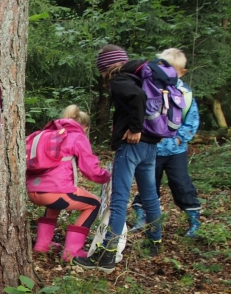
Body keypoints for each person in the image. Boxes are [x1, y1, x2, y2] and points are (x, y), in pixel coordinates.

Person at [74, 45, 163, 273]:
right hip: (150, 145)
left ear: (106, 67)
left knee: (118, 200)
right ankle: (155, 240)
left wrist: (135, 128)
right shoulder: (138, 76)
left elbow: (138, 98)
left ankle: (106, 254)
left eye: (101, 70)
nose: (102, 75)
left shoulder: (119, 80)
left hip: (131, 145)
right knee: (149, 194)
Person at [131, 48, 202, 237]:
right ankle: (143, 216)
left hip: (175, 150)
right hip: (151, 148)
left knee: (180, 183)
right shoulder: (149, 88)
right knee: (149, 183)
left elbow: (192, 121)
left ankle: (194, 218)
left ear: (182, 72)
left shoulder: (185, 94)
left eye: (173, 70)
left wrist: (179, 137)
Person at [26, 105, 110, 260]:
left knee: (54, 203)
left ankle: (42, 245)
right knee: (94, 204)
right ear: (84, 127)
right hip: (56, 192)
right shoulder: (77, 136)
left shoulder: (47, 133)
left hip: (33, 191)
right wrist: (107, 176)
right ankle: (72, 252)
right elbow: (91, 170)